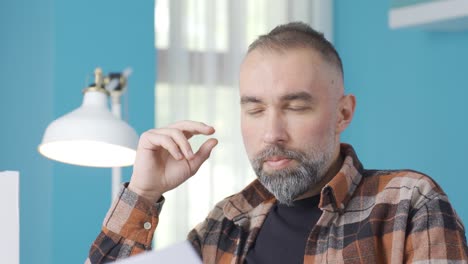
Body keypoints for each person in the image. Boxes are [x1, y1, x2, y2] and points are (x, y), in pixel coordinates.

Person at [86, 22, 468, 263]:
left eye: (296, 107)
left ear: (343, 114)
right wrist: (144, 193)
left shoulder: (408, 203)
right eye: (255, 110)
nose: (272, 133)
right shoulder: (227, 222)